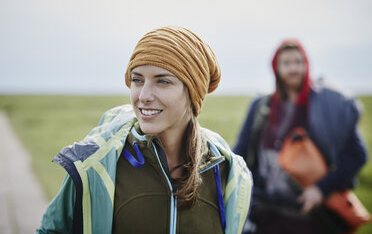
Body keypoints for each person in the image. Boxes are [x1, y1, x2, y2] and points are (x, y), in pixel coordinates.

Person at [35, 26, 252, 234]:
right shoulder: (96, 163)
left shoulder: (227, 170)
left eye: (163, 81)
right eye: (137, 80)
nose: (143, 95)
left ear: (193, 93)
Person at [234, 39, 368, 234]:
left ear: (307, 65)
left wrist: (321, 189)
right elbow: (240, 152)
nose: (293, 68)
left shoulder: (326, 108)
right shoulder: (261, 107)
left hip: (310, 217)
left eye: (299, 62)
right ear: (276, 68)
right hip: (264, 214)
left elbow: (357, 154)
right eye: (286, 63)